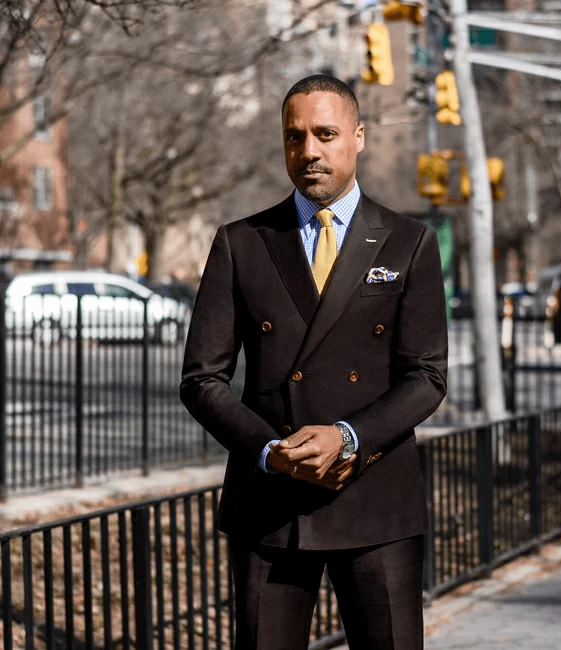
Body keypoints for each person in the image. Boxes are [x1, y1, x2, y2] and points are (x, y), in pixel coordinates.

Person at [180, 75, 448, 649]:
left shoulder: (409, 242)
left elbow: (426, 375)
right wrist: (269, 452)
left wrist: (350, 437)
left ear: (358, 136)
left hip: (376, 501)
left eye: (325, 134)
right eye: (294, 137)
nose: (309, 152)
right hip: (270, 507)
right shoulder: (241, 242)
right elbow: (202, 379)